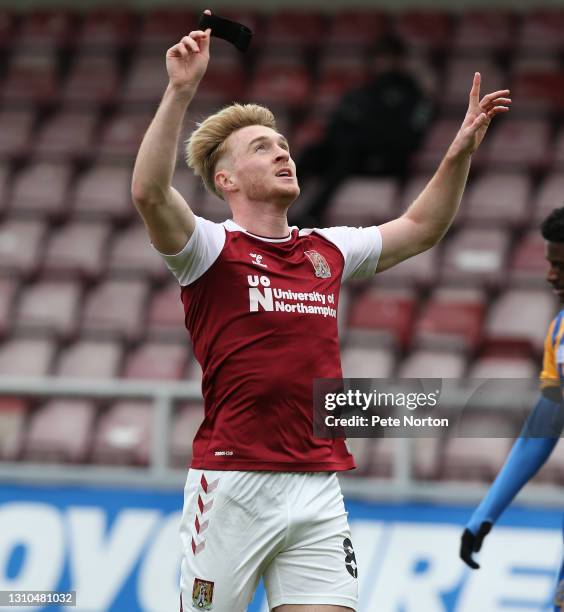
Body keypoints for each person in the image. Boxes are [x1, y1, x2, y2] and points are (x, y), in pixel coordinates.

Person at [131, 9, 510, 612]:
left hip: (317, 484)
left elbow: (421, 227)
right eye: (262, 148)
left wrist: (459, 152)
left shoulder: (326, 250)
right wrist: (181, 89)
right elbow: (150, 192)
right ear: (225, 179)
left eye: (283, 145)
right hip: (233, 486)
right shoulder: (208, 249)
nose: (283, 154)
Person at [460, 207, 564, 611]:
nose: (550, 275)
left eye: (560, 265)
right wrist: (486, 513)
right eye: (549, 263)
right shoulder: (559, 332)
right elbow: (540, 431)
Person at [295, 32, 432, 227]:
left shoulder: (411, 93)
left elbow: (408, 135)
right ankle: (274, 205)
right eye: (378, 57)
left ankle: (311, 214)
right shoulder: (364, 88)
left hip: (385, 159)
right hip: (350, 150)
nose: (382, 63)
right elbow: (337, 123)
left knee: (347, 154)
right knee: (312, 153)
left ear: (399, 59)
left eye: (387, 57)